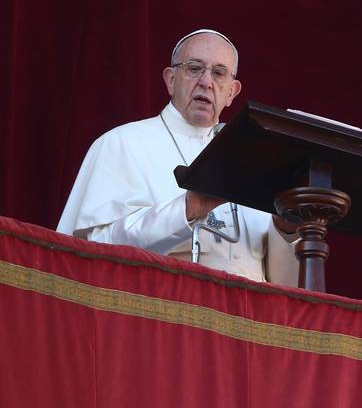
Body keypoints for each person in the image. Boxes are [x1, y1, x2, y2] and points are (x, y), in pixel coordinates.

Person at [57, 29, 300, 286]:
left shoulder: (253, 158)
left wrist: (286, 229)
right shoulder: (122, 143)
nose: (206, 82)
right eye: (195, 68)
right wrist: (185, 210)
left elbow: (282, 281)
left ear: (232, 92)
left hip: (247, 317)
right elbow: (93, 251)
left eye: (218, 73)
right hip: (162, 312)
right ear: (171, 79)